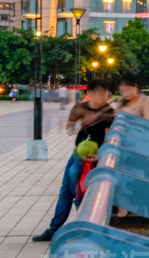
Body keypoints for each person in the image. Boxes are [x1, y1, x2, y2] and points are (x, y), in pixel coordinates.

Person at [32, 80, 116, 241]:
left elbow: (107, 139)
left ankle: (83, 225)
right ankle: (54, 228)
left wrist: (99, 155)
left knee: (79, 189)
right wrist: (79, 125)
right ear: (89, 93)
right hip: (77, 153)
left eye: (104, 93)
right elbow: (69, 130)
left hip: (93, 157)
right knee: (66, 191)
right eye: (99, 92)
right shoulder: (80, 108)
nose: (102, 96)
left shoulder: (108, 112)